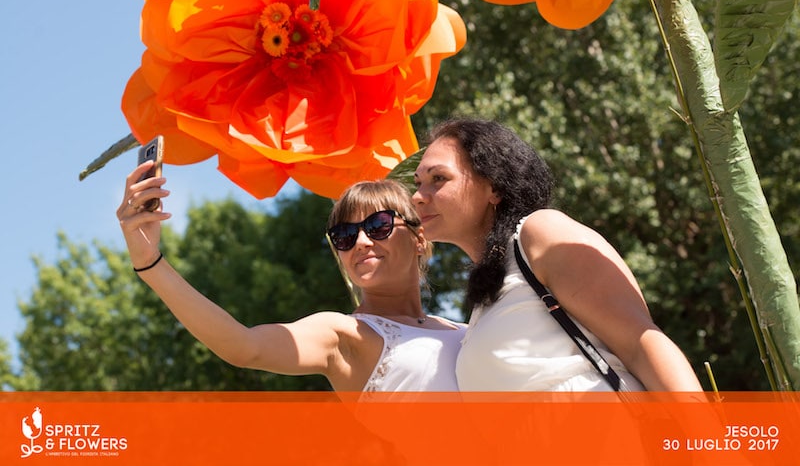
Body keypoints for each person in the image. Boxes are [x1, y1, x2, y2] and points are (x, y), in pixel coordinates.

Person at [412, 117, 703, 392]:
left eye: (438, 178)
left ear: (494, 187)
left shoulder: (539, 232)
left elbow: (641, 344)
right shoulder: (484, 304)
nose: (417, 196)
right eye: (418, 183)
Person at [117, 166, 466, 392]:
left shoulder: (468, 328)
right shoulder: (343, 335)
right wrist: (150, 263)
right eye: (344, 235)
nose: (360, 242)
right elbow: (244, 347)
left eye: (378, 226)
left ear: (420, 239)